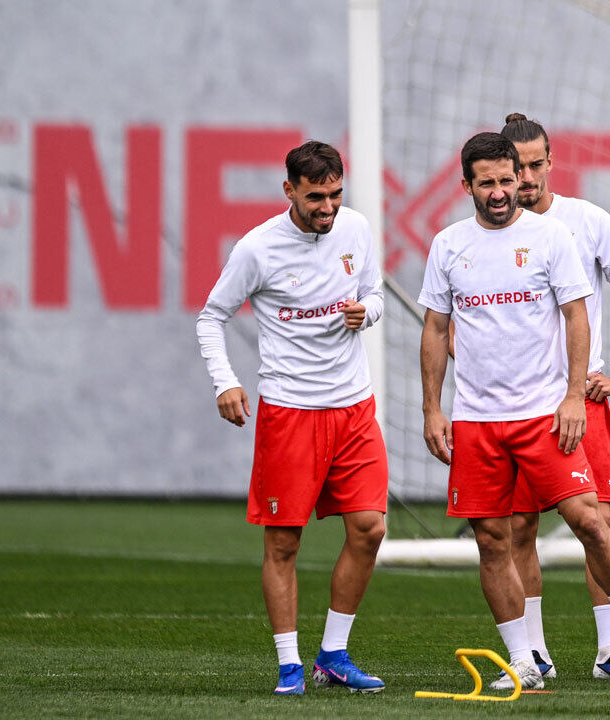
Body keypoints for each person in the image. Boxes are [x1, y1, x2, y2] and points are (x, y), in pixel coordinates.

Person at [418, 132, 610, 691]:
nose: (503, 191)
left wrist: (574, 394)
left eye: (509, 179)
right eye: (489, 182)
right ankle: (523, 661)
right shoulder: (447, 245)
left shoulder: (553, 235)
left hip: (544, 415)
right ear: (468, 186)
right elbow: (435, 329)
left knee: (590, 523)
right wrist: (434, 409)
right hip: (477, 421)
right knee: (493, 540)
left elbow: (578, 318)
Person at [196, 141, 389, 695]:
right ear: (289, 191)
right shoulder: (257, 249)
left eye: (334, 195)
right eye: (315, 198)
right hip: (291, 412)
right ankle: (288, 665)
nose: (327, 207)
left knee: (370, 529)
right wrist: (226, 382)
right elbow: (211, 317)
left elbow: (372, 292)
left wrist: (367, 311)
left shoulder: (354, 229)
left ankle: (333, 653)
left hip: (353, 407)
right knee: (283, 544)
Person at [490, 113, 610, 685]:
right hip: (511, 411)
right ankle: (533, 655)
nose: (527, 176)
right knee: (516, 530)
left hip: (578, 406)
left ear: (550, 161)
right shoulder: (480, 238)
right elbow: (451, 321)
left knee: (595, 524)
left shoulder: (587, 221)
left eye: (536, 164)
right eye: (517, 167)